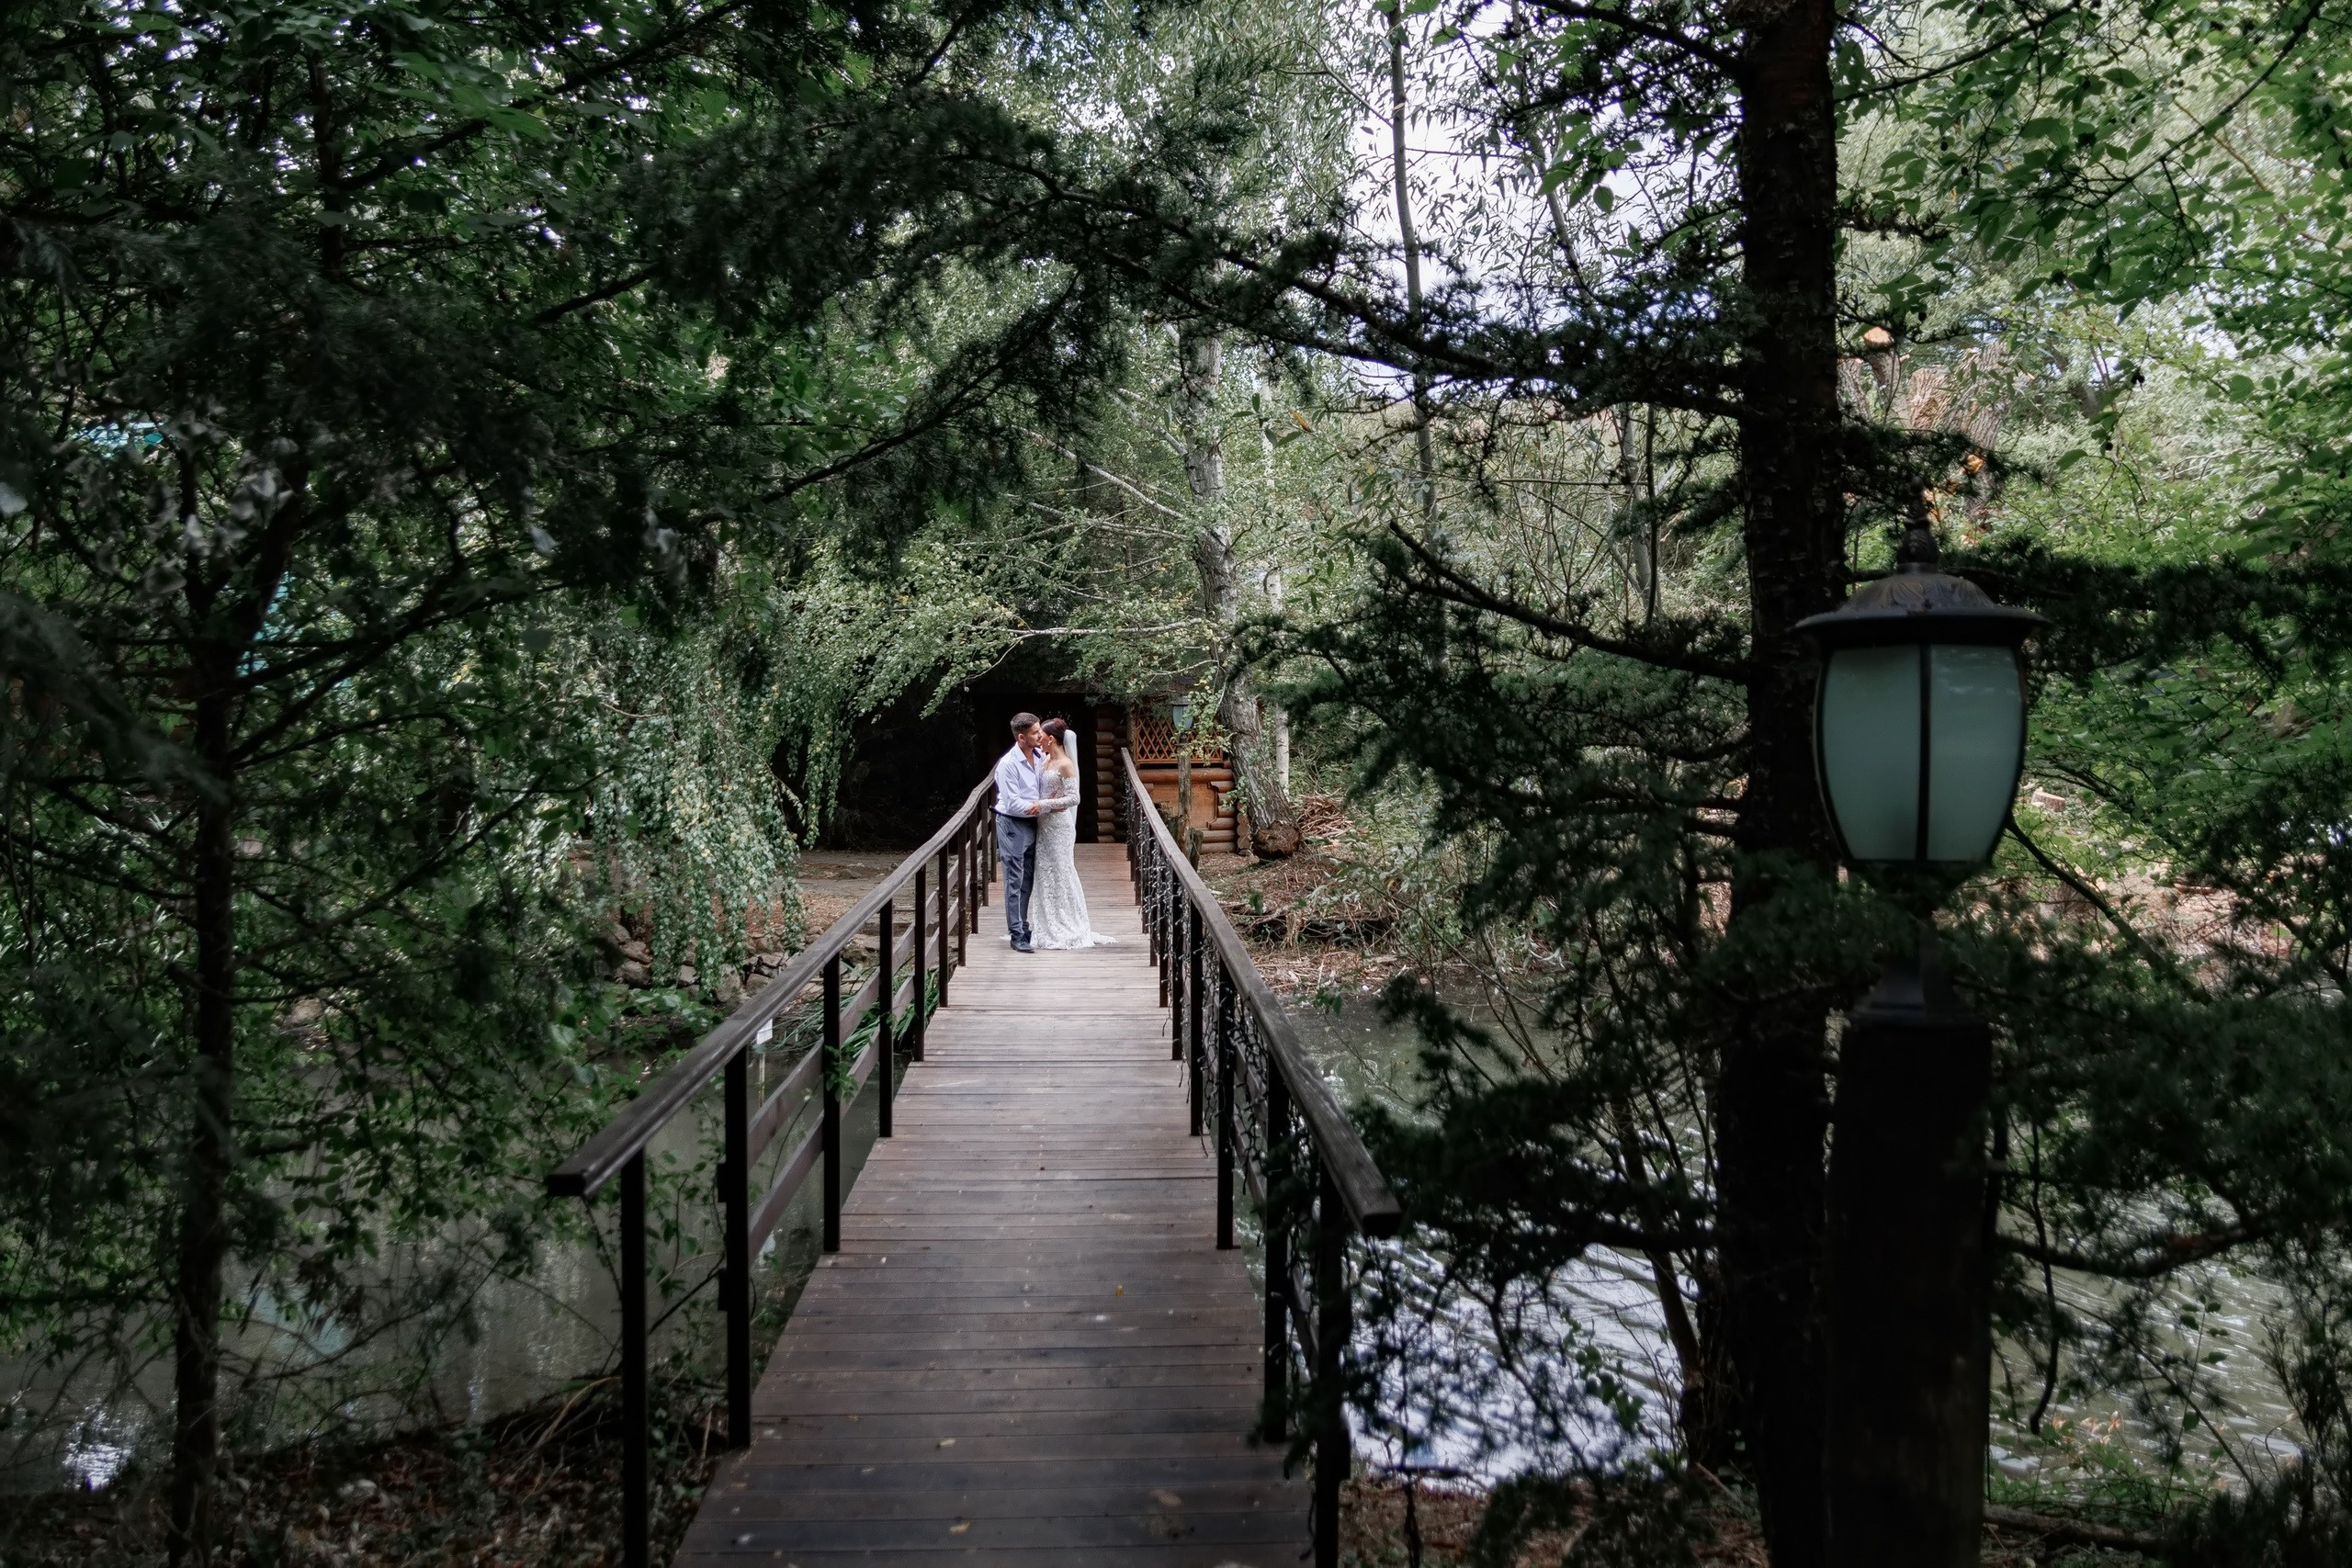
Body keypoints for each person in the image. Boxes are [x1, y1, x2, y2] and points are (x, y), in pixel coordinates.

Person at [1027, 718, 1114, 950]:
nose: (1039, 740)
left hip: (1058, 827)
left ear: (1051, 739)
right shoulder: (1045, 760)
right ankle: (1046, 924)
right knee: (1045, 873)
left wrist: (1045, 804)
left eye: (1041, 737)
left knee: (1062, 871)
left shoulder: (1065, 764)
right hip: (1044, 825)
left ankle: (1069, 923)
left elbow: (1074, 798)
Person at [991, 712, 1074, 953]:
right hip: (1012, 823)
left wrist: (1048, 804)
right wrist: (1042, 807)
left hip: (1034, 823)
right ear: (1021, 737)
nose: (1041, 735)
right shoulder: (1008, 765)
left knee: (1028, 877)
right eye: (1035, 733)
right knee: (1014, 879)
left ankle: (1023, 925)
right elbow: (1013, 802)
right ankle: (1016, 933)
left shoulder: (1040, 756)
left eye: (1040, 730)